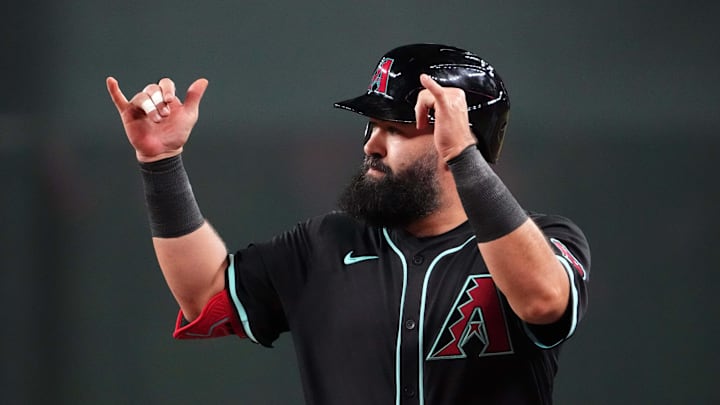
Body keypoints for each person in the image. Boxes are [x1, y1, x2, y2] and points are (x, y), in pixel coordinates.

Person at [107, 43, 590, 405]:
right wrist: (161, 161)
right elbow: (205, 292)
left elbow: (544, 299)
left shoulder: (547, 239)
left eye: (397, 131)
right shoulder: (326, 244)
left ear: (460, 139)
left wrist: (463, 155)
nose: (370, 146)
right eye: (371, 127)